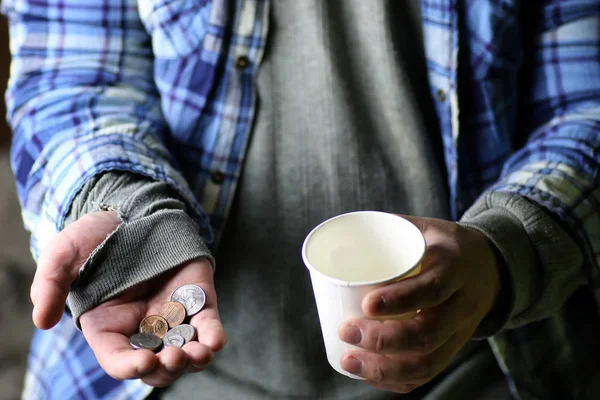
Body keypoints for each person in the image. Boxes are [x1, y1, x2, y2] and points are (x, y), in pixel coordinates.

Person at [3, 0, 600, 399]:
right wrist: (123, 207)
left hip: (494, 362)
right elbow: (72, 78)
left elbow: (587, 102)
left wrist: (506, 248)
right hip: (170, 376)